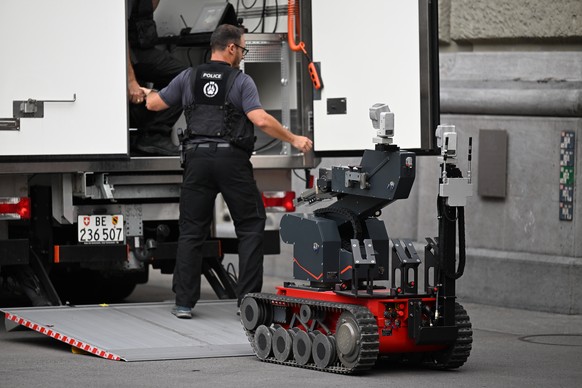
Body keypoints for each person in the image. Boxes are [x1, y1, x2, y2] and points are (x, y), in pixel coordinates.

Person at [141, 24, 313, 319]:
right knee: (250, 226)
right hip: (231, 161)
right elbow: (259, 119)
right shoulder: (240, 81)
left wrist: (145, 92)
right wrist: (295, 139)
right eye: (243, 49)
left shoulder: (188, 77)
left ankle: (183, 303)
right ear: (231, 48)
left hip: (196, 160)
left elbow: (154, 104)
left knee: (192, 230)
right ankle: (247, 303)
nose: (242, 55)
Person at [127, 0, 188, 155]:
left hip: (143, 49)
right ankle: (154, 135)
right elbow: (119, 35)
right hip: (130, 52)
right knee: (185, 78)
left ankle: (148, 135)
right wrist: (131, 80)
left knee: (182, 78)